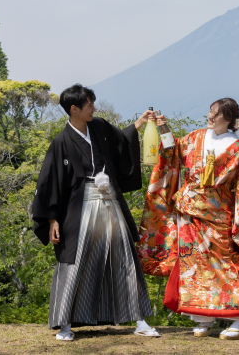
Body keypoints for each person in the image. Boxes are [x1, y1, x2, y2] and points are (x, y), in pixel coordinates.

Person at [32, 84, 159, 341]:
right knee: (76, 261)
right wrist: (52, 219)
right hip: (80, 207)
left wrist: (141, 122)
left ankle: (140, 319)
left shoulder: (99, 127)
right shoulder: (61, 142)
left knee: (124, 256)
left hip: (109, 199)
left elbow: (122, 141)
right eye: (89, 104)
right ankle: (65, 323)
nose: (94, 107)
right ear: (74, 109)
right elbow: (50, 182)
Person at [137, 97, 239, 339]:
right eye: (210, 111)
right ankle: (203, 319)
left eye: (216, 113)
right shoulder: (196, 137)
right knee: (194, 265)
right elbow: (172, 150)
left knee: (227, 264)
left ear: (228, 119)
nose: (210, 116)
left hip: (219, 214)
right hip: (189, 213)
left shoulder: (236, 149)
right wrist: (164, 128)